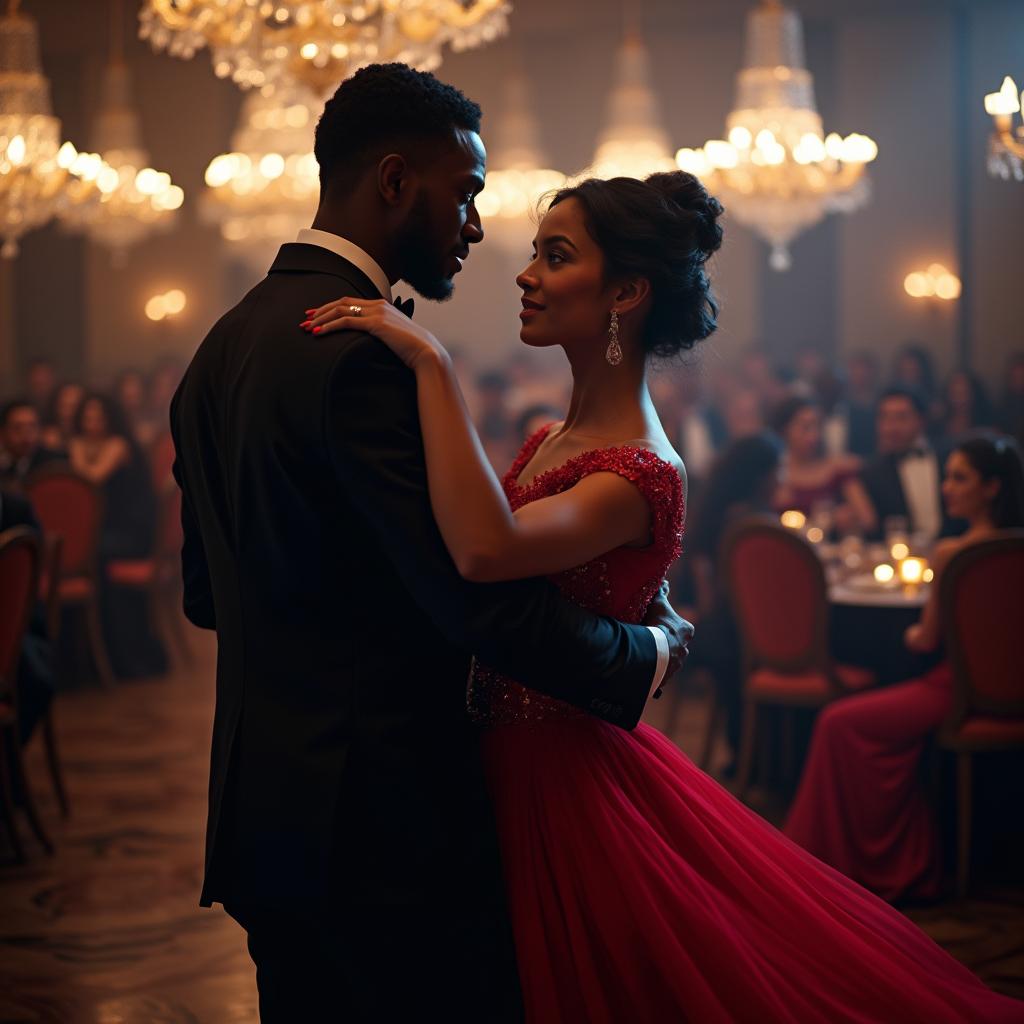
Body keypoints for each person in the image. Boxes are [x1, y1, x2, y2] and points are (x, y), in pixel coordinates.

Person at [308, 172, 1022, 1021]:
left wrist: (430, 362)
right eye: (535, 255)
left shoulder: (638, 469)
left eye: (556, 257)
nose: (525, 275)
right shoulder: (551, 437)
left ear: (628, 292)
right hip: (501, 756)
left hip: (561, 777)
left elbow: (483, 546)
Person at [170, 64, 688, 1024]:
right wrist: (639, 652)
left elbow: (207, 592)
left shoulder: (222, 344)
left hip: (263, 811)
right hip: (378, 821)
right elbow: (469, 592)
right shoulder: (361, 356)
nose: (477, 227)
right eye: (467, 193)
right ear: (396, 181)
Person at [786, 433, 1024, 901]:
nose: (946, 487)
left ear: (992, 487)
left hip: (958, 690)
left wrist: (909, 634)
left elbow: (926, 640)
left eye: (959, 478)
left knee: (838, 720)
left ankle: (850, 867)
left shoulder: (954, 554)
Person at [686, 432, 782, 772]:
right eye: (776, 471)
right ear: (761, 476)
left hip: (718, 627)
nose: (780, 479)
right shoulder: (753, 523)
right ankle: (777, 762)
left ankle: (750, 754)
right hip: (741, 637)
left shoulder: (722, 511)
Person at [70, 394, 166, 679]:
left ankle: (105, 659)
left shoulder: (118, 445)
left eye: (98, 417)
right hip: (105, 533)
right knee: (80, 553)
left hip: (130, 535)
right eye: (87, 418)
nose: (92, 424)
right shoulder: (89, 445)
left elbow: (89, 481)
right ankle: (79, 661)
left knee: (90, 556)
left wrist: (74, 447)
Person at [846, 385, 961, 541]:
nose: (891, 427)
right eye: (884, 418)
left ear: (921, 420)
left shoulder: (951, 457)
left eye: (901, 417)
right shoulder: (872, 472)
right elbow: (875, 531)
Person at [771, 394, 863, 532]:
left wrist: (848, 518)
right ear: (785, 430)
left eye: (817, 426)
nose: (813, 436)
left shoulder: (837, 469)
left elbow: (867, 519)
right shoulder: (773, 475)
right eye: (805, 427)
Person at [0, 400, 65, 490]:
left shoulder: (53, 464)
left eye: (32, 427)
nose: (26, 435)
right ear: (2, 432)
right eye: (18, 428)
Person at [937, 366, 996, 440]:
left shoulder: (986, 425)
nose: (958, 399)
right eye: (954, 393)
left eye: (963, 393)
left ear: (974, 394)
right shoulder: (938, 424)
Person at [40, 381, 84, 452]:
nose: (69, 412)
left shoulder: (91, 438)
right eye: (64, 406)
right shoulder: (45, 436)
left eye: (74, 406)